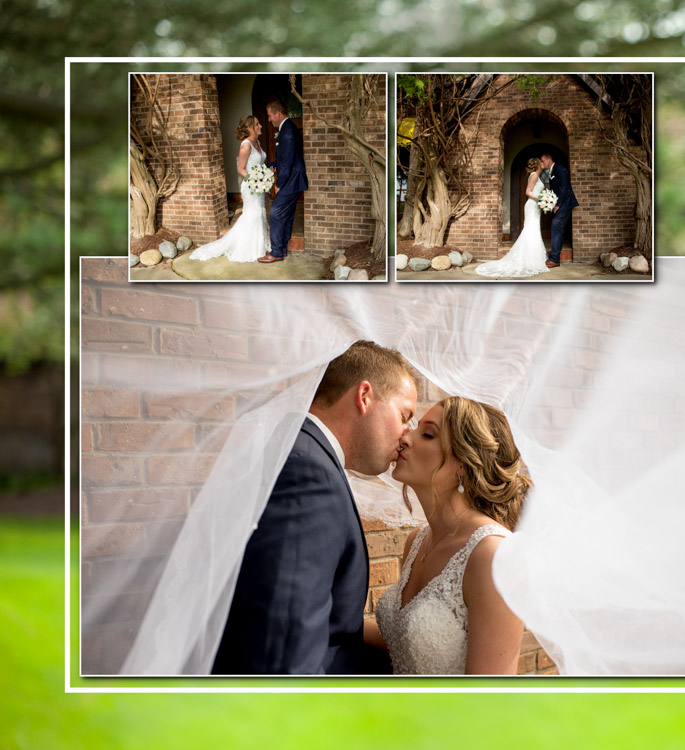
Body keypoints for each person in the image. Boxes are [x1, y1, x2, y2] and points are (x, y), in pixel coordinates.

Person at [212, 341, 418, 674]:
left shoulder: (297, 450)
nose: (407, 434)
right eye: (404, 415)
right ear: (365, 396)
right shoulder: (310, 475)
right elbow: (283, 642)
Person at [371, 396, 530, 674]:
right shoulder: (417, 541)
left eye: (428, 434)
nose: (405, 438)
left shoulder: (493, 555)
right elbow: (408, 642)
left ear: (463, 464)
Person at [188, 115, 270, 263]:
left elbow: (258, 164)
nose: (260, 126)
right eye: (257, 124)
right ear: (250, 128)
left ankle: (259, 245)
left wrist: (263, 177)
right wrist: (255, 180)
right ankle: (248, 248)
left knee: (259, 212)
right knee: (253, 214)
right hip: (251, 186)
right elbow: (241, 169)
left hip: (258, 185)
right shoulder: (246, 145)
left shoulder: (256, 142)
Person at [474, 157, 552, 278]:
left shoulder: (535, 175)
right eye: (541, 162)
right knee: (531, 230)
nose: (543, 163)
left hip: (535, 206)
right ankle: (530, 259)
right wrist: (541, 200)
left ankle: (532, 257)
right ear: (537, 164)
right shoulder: (534, 176)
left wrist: (542, 201)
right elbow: (528, 191)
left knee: (533, 230)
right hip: (532, 206)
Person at [259, 99, 306, 263]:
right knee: (286, 215)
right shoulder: (287, 128)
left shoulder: (287, 130)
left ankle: (276, 252)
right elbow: (285, 158)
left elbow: (288, 163)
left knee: (276, 214)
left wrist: (279, 184)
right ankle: (282, 250)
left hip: (291, 180)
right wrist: (271, 165)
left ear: (278, 114)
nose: (269, 119)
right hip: (294, 179)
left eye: (270, 116)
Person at [538, 152, 578, 267]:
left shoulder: (560, 168)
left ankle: (555, 259)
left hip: (565, 203)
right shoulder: (551, 171)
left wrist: (558, 204)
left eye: (542, 160)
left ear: (548, 159)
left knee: (556, 226)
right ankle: (554, 257)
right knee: (556, 227)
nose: (541, 163)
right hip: (560, 203)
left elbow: (564, 187)